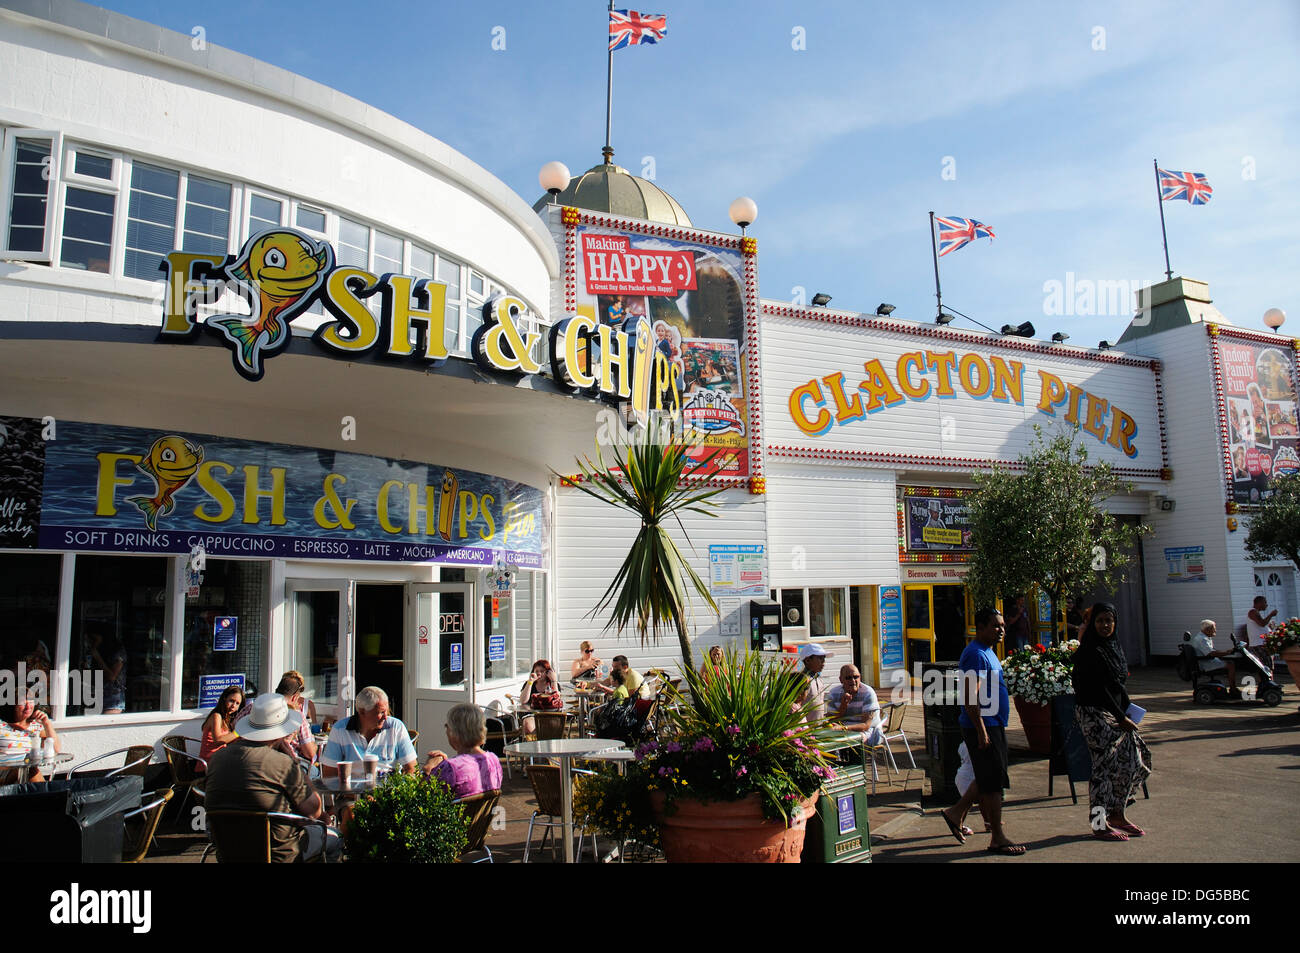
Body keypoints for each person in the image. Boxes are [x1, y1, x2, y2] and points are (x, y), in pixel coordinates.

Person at [204, 692, 340, 862]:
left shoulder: (217, 759)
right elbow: (314, 811)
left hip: (229, 852)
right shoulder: (282, 763)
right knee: (335, 838)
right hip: (278, 854)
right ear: (280, 733)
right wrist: (295, 764)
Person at [938, 607, 1024, 855]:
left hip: (994, 723)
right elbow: (968, 695)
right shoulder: (974, 654)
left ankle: (956, 813)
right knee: (993, 781)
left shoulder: (989, 653)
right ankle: (997, 836)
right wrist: (982, 730)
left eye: (1003, 626)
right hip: (983, 726)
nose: (1001, 630)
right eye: (996, 626)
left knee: (989, 778)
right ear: (981, 627)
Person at [1071, 602, 1152, 841]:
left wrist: (1128, 711)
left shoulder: (1113, 647)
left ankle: (1117, 813)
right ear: (1092, 624)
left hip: (1118, 715)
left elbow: (1118, 686)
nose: (1105, 625)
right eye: (1100, 621)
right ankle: (1099, 823)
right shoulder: (1089, 651)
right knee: (1102, 771)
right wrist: (1121, 717)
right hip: (1095, 715)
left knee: (1135, 761)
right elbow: (1098, 690)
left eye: (1109, 620)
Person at [320, 686, 418, 777]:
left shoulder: (396, 727)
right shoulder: (340, 729)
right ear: (362, 711)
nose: (386, 717)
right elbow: (329, 774)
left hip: (387, 791)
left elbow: (411, 768)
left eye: (386, 712)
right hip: (351, 792)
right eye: (381, 712)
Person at [422, 703, 503, 799]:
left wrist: (427, 770)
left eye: (447, 726)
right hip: (482, 814)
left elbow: (423, 798)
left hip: (457, 814)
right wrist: (445, 764)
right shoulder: (493, 760)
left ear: (454, 732)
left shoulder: (451, 768)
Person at [825, 665, 884, 746]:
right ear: (841, 679)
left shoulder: (868, 692)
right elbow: (831, 720)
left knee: (855, 739)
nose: (853, 680)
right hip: (843, 731)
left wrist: (844, 728)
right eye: (848, 678)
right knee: (824, 739)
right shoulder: (834, 693)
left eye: (856, 677)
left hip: (870, 731)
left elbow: (866, 725)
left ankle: (856, 759)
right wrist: (843, 706)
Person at [198, 685, 244, 772]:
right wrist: (238, 732)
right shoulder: (216, 716)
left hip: (219, 761)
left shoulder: (227, 718)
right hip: (208, 766)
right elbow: (218, 740)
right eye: (231, 701)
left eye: (237, 703)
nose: (233, 705)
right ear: (224, 699)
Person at [1, 688, 61, 754]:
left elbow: (55, 750)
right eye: (22, 703)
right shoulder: (2, 725)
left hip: (31, 764)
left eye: (31, 702)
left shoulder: (37, 726)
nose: (28, 707)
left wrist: (47, 723)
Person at [275, 672, 316, 762]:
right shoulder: (297, 715)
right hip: (288, 763)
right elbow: (310, 753)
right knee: (315, 772)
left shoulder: (253, 707)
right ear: (294, 698)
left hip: (255, 760)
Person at [1191, 620, 1238, 692]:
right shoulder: (1202, 639)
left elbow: (1212, 651)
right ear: (1207, 629)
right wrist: (1227, 652)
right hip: (1205, 663)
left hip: (1207, 660)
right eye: (1214, 628)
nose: (1215, 630)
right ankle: (1233, 689)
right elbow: (1211, 653)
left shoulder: (1205, 637)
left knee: (1230, 662)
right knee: (1231, 665)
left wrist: (1227, 652)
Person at [798, 643, 830, 721]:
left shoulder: (819, 681)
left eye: (824, 658)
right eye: (820, 658)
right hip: (805, 730)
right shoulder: (802, 680)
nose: (823, 662)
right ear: (808, 660)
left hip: (818, 728)